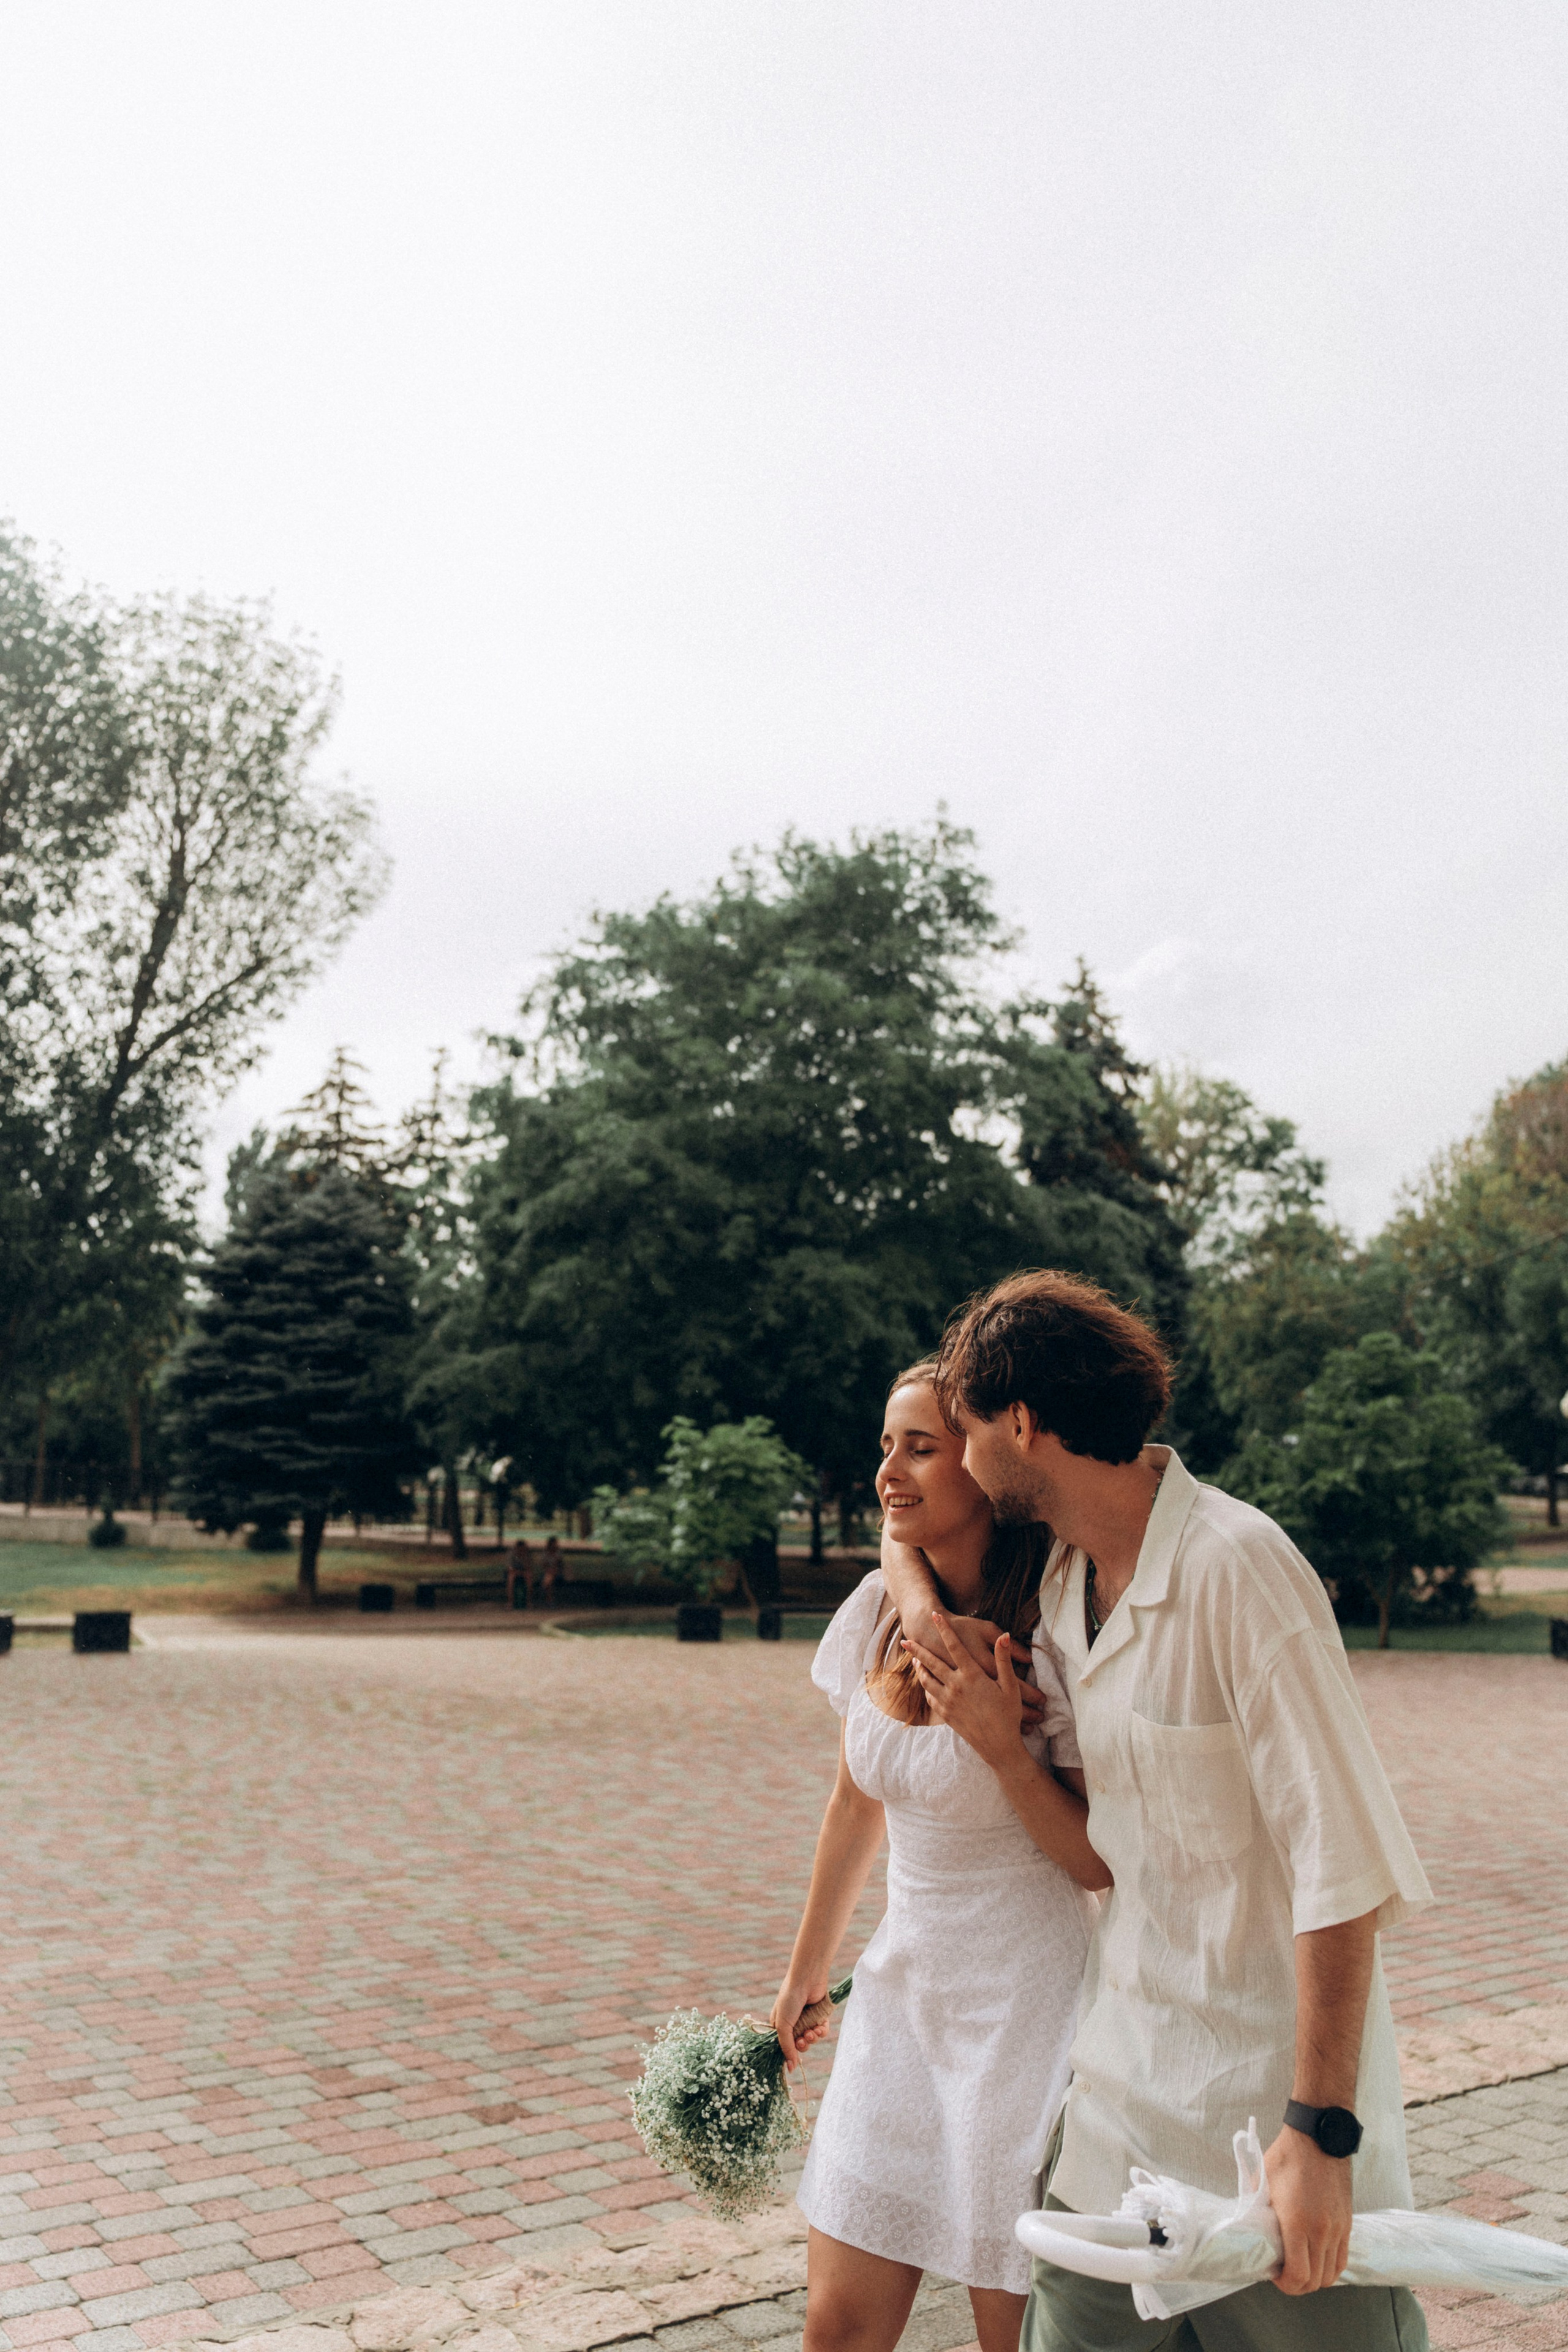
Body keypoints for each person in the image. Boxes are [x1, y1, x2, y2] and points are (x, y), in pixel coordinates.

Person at [883, 1270, 1434, 2352]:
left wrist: (1322, 2134)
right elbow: (1103, 1860)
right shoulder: (1059, 1587)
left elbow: (1344, 1865)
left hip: (1269, 2143)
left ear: (1025, 1426)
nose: (962, 1450)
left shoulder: (1242, 1569)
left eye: (970, 1427)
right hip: (1118, 2121)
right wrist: (1001, 1747)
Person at [772, 1361, 1110, 2352]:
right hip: (900, 1995)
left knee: (1014, 2331)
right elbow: (851, 1802)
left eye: (919, 1447)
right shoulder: (879, 1610)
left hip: (1026, 2007)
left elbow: (1097, 1861)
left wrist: (1004, 1748)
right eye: (887, 1445)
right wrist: (804, 1978)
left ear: (987, 1465)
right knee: (835, 2331)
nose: (890, 1470)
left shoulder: (1056, 1633)